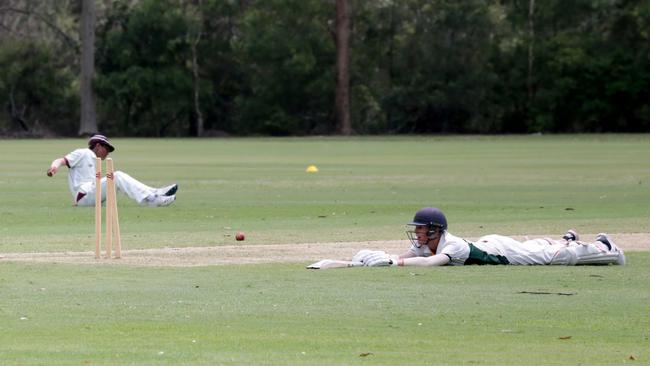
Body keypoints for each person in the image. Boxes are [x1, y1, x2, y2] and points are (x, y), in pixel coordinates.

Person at [307, 207, 625, 269]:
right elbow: (416, 254)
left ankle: (604, 247)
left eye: (421, 228)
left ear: (435, 230)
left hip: (505, 254)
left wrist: (395, 262)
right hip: (493, 243)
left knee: (554, 259)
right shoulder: (423, 242)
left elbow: (433, 262)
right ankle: (564, 237)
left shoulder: (452, 246)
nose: (417, 233)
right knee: (535, 247)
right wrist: (351, 262)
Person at [47, 134, 178, 207]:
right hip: (84, 195)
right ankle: (150, 199)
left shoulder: (94, 159)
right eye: (107, 149)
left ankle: (156, 193)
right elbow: (61, 160)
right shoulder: (83, 153)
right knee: (117, 176)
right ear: (97, 146)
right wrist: (54, 167)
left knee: (117, 180)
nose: (108, 153)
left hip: (92, 195)